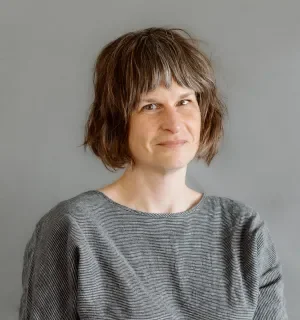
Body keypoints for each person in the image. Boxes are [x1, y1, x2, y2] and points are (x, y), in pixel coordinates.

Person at [19, 27, 288, 319]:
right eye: (150, 106)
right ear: (118, 121)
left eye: (184, 101)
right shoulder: (72, 229)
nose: (173, 123)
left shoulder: (243, 230)